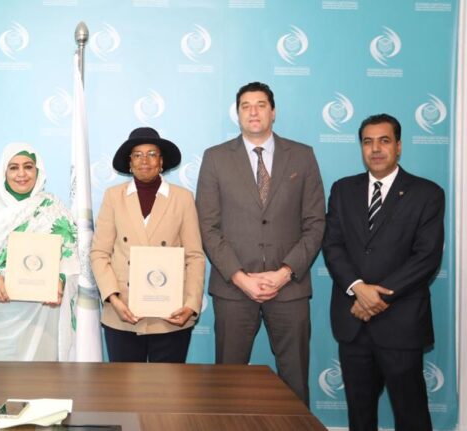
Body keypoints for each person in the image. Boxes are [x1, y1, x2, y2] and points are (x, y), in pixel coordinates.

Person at [195, 82, 325, 404]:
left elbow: (315, 223)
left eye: (261, 104)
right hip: (234, 290)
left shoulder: (303, 156)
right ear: (238, 113)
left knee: (295, 382)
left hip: (290, 288)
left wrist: (284, 273)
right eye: (246, 106)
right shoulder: (215, 158)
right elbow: (208, 227)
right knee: (227, 386)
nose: (253, 112)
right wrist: (240, 278)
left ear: (273, 111)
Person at [323, 114, 443, 430]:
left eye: (384, 141)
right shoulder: (342, 190)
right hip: (353, 322)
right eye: (368, 142)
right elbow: (332, 246)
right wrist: (358, 288)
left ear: (398, 146)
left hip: (401, 322)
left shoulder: (427, 193)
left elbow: (426, 257)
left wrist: (376, 297)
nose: (375, 149)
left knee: (412, 416)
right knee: (359, 418)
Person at [0, 142, 79, 361]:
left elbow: (72, 259)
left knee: (40, 378)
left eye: (28, 167)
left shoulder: (53, 208)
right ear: (4, 172)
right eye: (13, 167)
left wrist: (61, 280)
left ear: (38, 171)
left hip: (43, 317)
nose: (21, 174)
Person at [90, 127, 205, 363]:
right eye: (137, 155)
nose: (145, 160)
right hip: (123, 312)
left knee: (168, 385)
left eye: (152, 154)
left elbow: (194, 256)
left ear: (161, 162)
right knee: (123, 385)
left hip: (172, 315)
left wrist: (191, 304)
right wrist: (113, 299)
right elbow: (100, 253)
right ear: (129, 162)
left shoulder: (182, 198)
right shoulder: (113, 196)